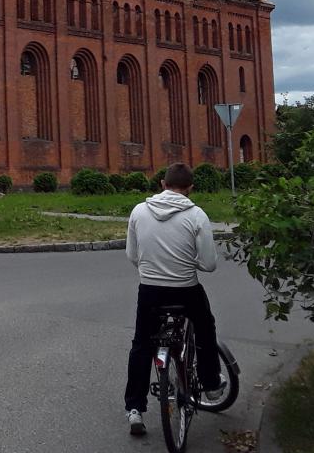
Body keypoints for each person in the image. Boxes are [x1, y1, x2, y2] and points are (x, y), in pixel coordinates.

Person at [123, 162, 223, 436]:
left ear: (162, 184)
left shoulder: (139, 211)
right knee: (205, 327)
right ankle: (211, 384)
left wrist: (152, 269)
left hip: (150, 291)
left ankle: (134, 408)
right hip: (185, 290)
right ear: (190, 188)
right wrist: (187, 263)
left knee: (142, 344)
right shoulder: (197, 215)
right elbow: (209, 264)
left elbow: (132, 255)